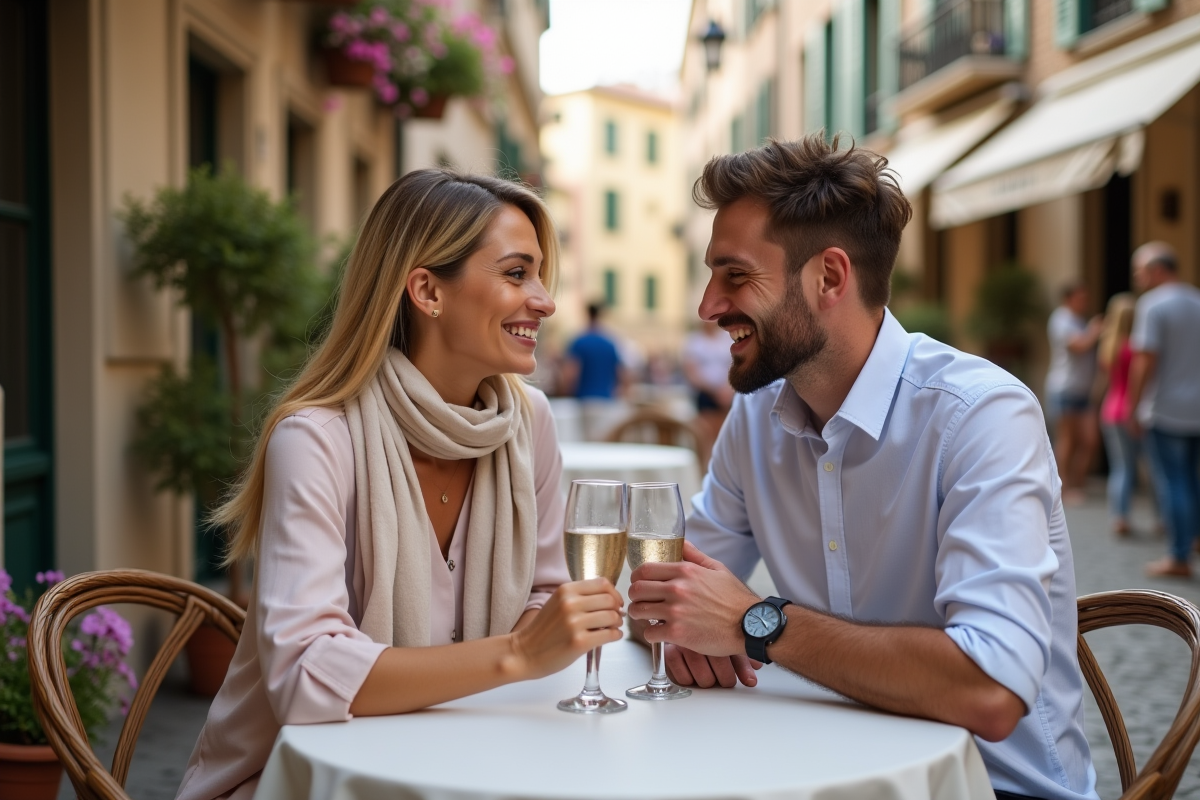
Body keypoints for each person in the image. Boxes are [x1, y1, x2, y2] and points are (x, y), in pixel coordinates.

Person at [627, 135, 1097, 800]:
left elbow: (989, 691)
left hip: (996, 788)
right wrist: (675, 621)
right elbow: (657, 593)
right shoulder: (756, 416)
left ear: (829, 278)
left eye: (735, 275)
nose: (707, 306)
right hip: (817, 769)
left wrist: (755, 622)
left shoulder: (981, 415)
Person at [175, 170, 623, 800]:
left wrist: (547, 633)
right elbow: (305, 675)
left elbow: (543, 595)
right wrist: (518, 653)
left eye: (541, 276)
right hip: (299, 782)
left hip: (468, 760)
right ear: (426, 291)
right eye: (517, 273)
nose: (545, 301)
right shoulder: (316, 440)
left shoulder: (528, 422)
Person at [1125, 242, 1200, 578]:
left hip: (1165, 408)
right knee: (1191, 480)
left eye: (1140, 271)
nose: (1137, 278)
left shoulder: (1153, 305)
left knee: (1173, 482)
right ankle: (1191, 540)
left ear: (1157, 270)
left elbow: (1145, 359)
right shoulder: (1197, 301)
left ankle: (1178, 556)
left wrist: (1132, 404)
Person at [1045, 283, 1104, 505]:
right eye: (1080, 297)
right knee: (1068, 440)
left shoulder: (1079, 320)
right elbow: (1079, 345)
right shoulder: (1061, 319)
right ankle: (1064, 487)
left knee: (1090, 441)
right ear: (1068, 299)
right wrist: (1096, 330)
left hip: (1083, 390)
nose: (1085, 301)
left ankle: (1078, 483)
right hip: (1065, 388)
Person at [1097, 293, 1138, 536]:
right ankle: (1162, 519)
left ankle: (1119, 516)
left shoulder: (1109, 346)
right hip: (1131, 412)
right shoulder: (1136, 348)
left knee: (1120, 467)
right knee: (1149, 468)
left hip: (1110, 410)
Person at [560, 302, 628, 439]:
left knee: (588, 444)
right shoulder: (610, 343)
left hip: (585, 401)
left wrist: (564, 390)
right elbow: (623, 374)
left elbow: (570, 373)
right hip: (607, 401)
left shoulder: (579, 341)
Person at [682, 319, 735, 448]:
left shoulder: (727, 339)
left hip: (726, 393)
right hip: (706, 394)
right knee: (707, 433)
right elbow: (691, 373)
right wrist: (715, 391)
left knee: (725, 432)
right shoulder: (694, 341)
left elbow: (734, 365)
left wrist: (728, 388)